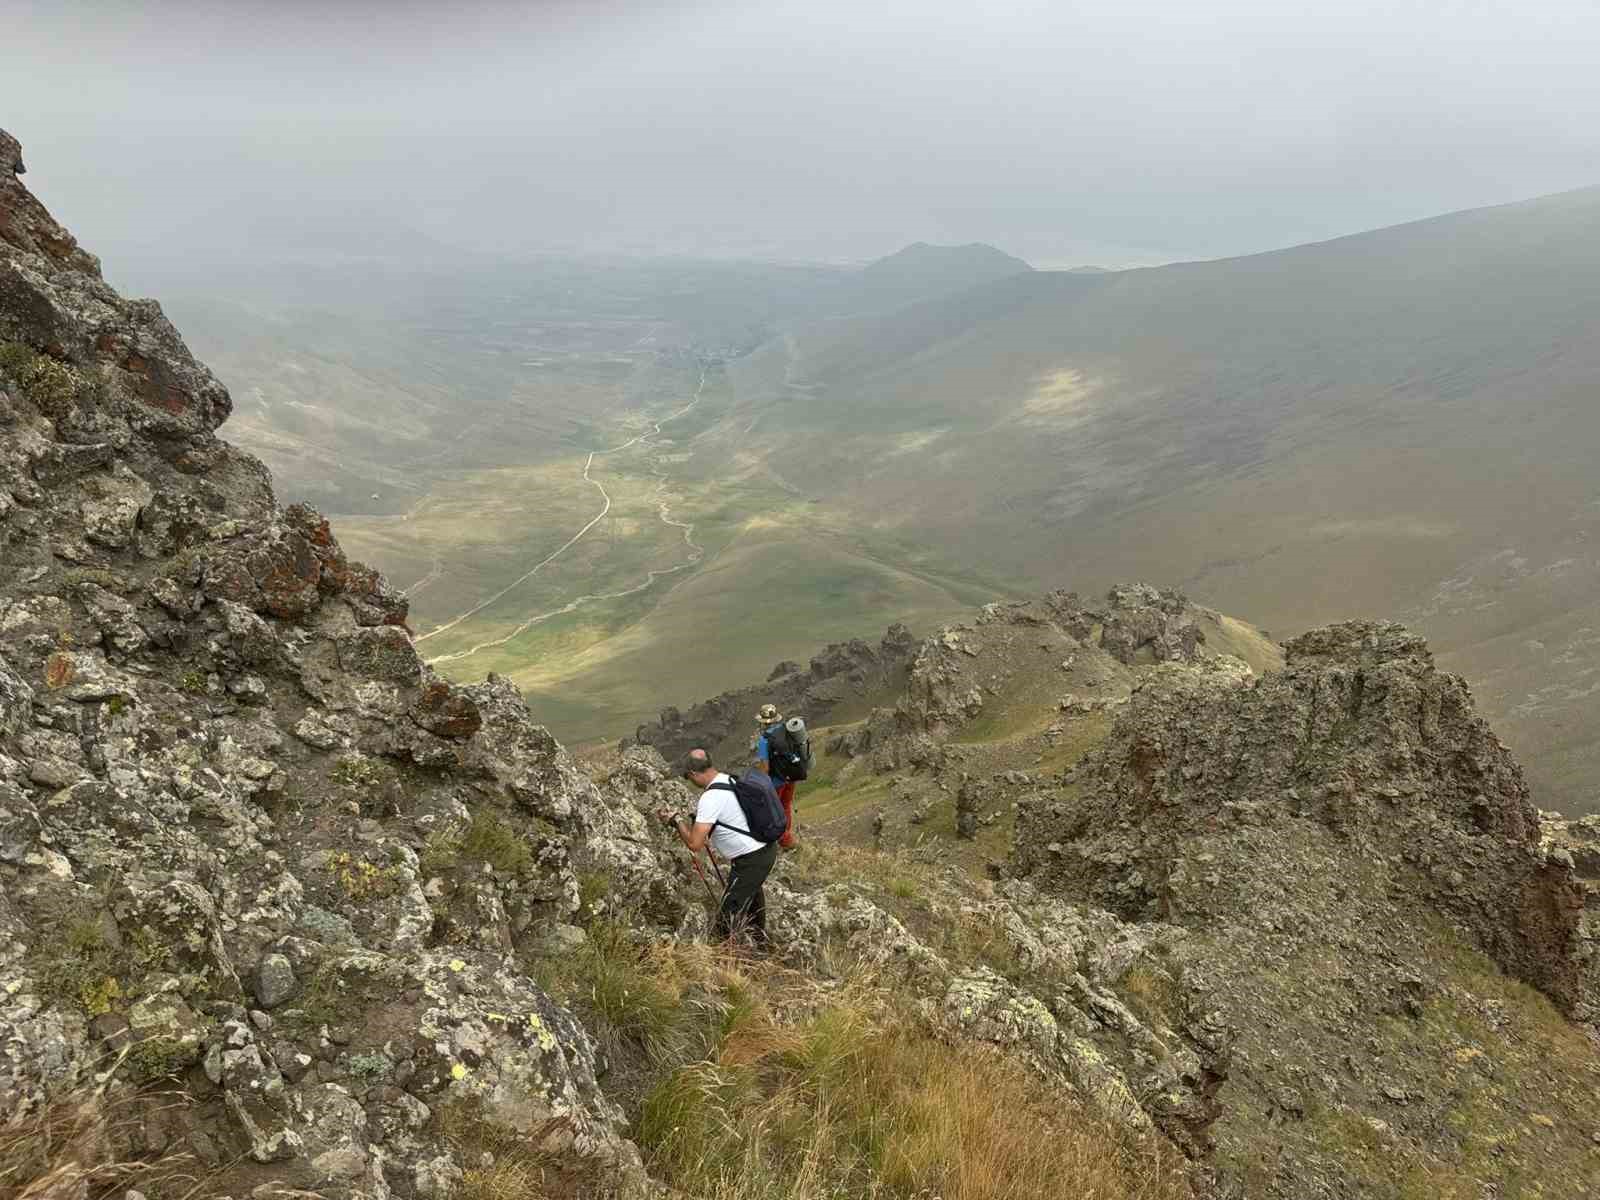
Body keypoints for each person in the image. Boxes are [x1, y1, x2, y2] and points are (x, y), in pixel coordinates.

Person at [659, 748, 780, 949]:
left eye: (688, 778)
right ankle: (759, 943)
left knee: (726, 916)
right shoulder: (728, 779)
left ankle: (726, 959)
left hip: (751, 860)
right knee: (751, 898)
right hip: (764, 850)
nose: (690, 782)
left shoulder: (710, 798)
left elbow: (694, 844)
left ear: (694, 774)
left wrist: (676, 820)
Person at [754, 703, 802, 849]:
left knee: (772, 813)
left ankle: (787, 842)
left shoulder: (764, 740)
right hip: (790, 777)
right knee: (785, 805)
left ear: (762, 722)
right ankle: (786, 835)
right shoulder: (786, 731)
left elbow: (765, 767)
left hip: (776, 782)